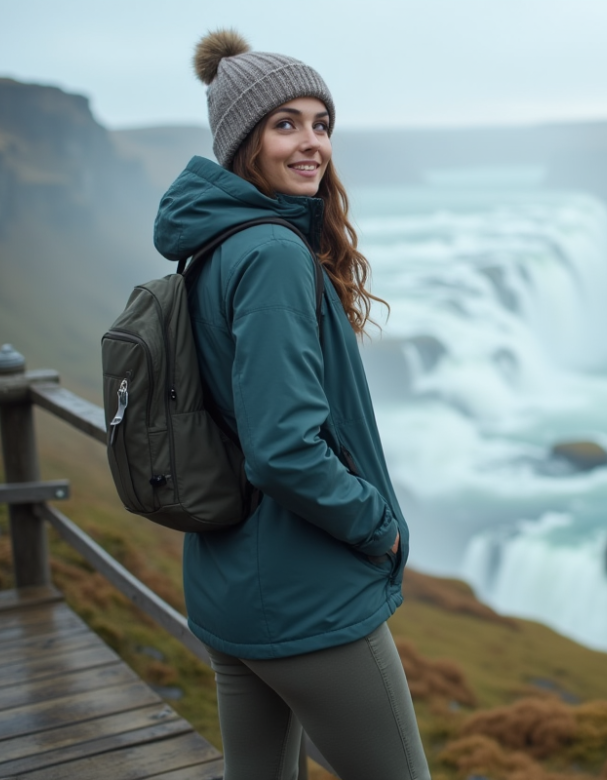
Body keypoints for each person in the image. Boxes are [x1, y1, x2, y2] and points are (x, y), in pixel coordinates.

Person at [153, 29, 429, 780]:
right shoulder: (271, 254)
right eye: (286, 124)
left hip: (229, 588)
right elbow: (283, 449)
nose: (311, 143)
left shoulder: (212, 243)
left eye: (321, 123)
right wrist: (379, 528)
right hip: (310, 602)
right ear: (244, 141)